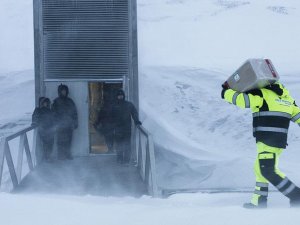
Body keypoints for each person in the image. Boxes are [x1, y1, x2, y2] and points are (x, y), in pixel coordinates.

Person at [221, 81, 300, 208]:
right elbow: (298, 116)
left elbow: (242, 100)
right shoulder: (287, 99)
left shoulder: (263, 94)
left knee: (267, 170)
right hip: (278, 141)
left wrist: (226, 92)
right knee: (259, 168)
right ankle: (259, 201)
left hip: (267, 140)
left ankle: (296, 195)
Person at [112, 89, 142, 164]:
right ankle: (119, 159)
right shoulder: (114, 105)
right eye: (119, 96)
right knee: (119, 144)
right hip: (117, 129)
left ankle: (126, 160)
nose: (120, 97)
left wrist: (136, 121)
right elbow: (109, 117)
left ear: (124, 96)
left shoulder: (129, 105)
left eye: (121, 95)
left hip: (127, 129)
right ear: (116, 97)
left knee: (127, 144)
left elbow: (134, 113)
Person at [52, 84, 78, 160]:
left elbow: (74, 113)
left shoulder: (70, 101)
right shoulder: (56, 102)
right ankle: (60, 155)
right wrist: (55, 124)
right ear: (59, 92)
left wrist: (75, 123)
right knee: (60, 141)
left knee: (69, 140)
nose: (64, 92)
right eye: (62, 91)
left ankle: (67, 154)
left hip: (69, 125)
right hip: (60, 125)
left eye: (65, 91)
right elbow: (53, 114)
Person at [32, 97, 55, 161]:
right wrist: (34, 123)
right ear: (41, 103)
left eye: (46, 102)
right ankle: (46, 157)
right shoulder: (38, 110)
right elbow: (35, 117)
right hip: (43, 129)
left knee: (51, 143)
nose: (45, 104)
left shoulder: (49, 110)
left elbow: (53, 119)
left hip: (50, 129)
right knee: (46, 143)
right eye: (44, 102)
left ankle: (48, 156)